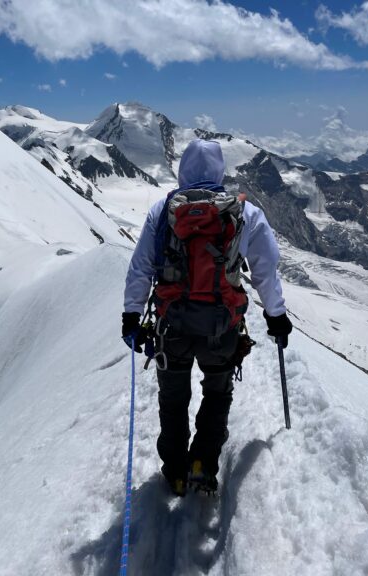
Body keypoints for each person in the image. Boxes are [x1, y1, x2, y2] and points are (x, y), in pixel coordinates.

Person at [121, 139, 292, 496]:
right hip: (222, 326)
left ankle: (176, 471)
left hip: (172, 326)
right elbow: (265, 272)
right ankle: (203, 462)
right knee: (217, 394)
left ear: (182, 170)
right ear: (220, 170)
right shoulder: (245, 214)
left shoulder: (162, 211)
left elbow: (140, 269)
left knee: (172, 399)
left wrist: (131, 316)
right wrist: (276, 316)